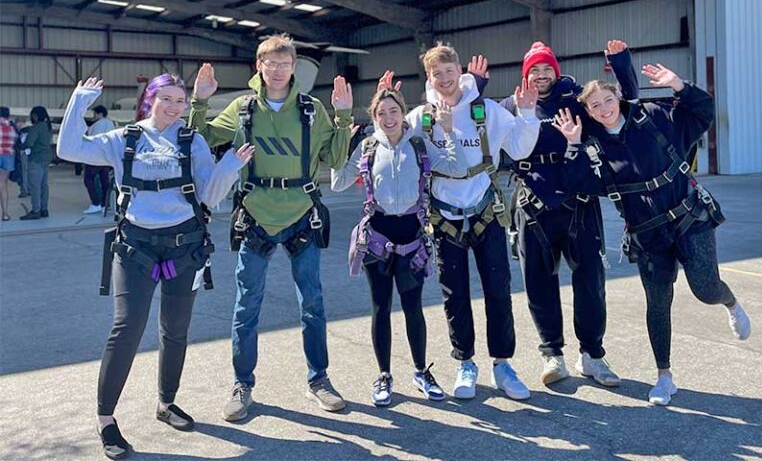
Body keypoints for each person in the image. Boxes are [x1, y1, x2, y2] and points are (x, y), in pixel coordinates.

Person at [58, 75, 253, 459]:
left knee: (175, 330)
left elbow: (210, 195)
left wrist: (230, 165)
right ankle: (106, 418)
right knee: (126, 329)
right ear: (150, 99)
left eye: (181, 100)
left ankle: (166, 402)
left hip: (185, 248)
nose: (175, 107)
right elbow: (69, 148)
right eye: (167, 98)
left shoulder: (191, 140)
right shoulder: (123, 139)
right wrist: (80, 101)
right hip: (135, 248)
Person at [554, 45, 752, 406]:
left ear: (618, 96)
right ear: (588, 112)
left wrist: (680, 86)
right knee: (658, 304)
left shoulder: (653, 117)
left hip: (690, 218)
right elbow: (575, 182)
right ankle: (664, 377)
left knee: (705, 289)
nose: (603, 108)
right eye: (594, 105)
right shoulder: (594, 147)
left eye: (607, 99)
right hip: (648, 235)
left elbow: (702, 112)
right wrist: (572, 144)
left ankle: (731, 303)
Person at [189, 33, 353, 420]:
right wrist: (199, 101)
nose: (278, 70)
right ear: (258, 66)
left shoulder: (312, 109)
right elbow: (199, 138)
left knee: (312, 303)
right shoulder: (242, 109)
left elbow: (334, 156)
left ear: (294, 67)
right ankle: (242, 384)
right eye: (271, 63)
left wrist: (344, 115)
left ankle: (320, 379)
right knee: (247, 305)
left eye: (285, 64)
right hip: (256, 214)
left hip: (301, 214)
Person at [381, 43, 541, 401]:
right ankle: (465, 361)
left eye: (449, 71)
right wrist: (386, 104)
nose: (444, 79)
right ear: (429, 77)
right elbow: (391, 144)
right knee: (455, 295)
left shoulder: (486, 110)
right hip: (444, 215)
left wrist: (528, 114)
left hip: (485, 211)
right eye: (437, 74)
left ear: (460, 72)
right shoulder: (421, 116)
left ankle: (502, 364)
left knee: (499, 290)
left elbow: (519, 149)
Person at [476, 41, 637, 388]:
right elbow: (472, 116)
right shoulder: (512, 104)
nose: (541, 74)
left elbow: (620, 103)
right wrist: (476, 84)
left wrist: (621, 63)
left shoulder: (576, 100)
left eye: (547, 68)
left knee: (591, 282)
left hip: (579, 202)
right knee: (538, 283)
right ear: (525, 75)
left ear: (556, 70)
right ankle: (553, 354)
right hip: (532, 205)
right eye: (534, 69)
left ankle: (592, 355)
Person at [332, 88, 467, 406]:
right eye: (381, 113)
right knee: (380, 307)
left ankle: (421, 371)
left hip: (412, 241)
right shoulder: (366, 148)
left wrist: (448, 132)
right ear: (374, 117)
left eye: (394, 111)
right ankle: (384, 375)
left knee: (412, 308)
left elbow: (457, 167)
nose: (388, 118)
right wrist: (343, 147)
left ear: (403, 113)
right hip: (377, 241)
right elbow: (338, 182)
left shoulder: (419, 146)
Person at [20, 106, 52, 220]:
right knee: (44, 185)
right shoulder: (48, 127)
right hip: (46, 159)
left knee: (34, 186)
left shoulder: (36, 127)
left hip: (35, 159)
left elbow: (29, 143)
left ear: (35, 115)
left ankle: (35, 210)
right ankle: (44, 209)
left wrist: (20, 145)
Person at [83, 105, 116, 214]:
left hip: (95, 156)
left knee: (88, 179)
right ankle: (105, 204)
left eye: (95, 114)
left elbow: (91, 140)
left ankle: (95, 203)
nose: (94, 116)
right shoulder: (111, 124)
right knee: (104, 181)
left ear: (100, 114)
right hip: (107, 157)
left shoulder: (97, 125)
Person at [0, 106, 18, 221]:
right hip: (8, 156)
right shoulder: (12, 128)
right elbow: (16, 141)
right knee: (3, 185)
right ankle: (5, 214)